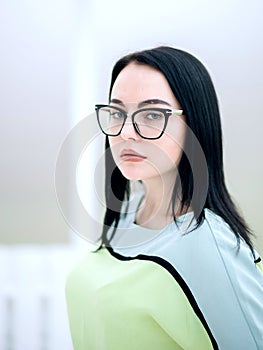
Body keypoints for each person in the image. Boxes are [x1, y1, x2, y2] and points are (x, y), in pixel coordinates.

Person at [66, 46, 263, 349]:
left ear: (194, 124)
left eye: (152, 114)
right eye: (117, 112)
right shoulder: (128, 213)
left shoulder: (208, 246)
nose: (126, 132)